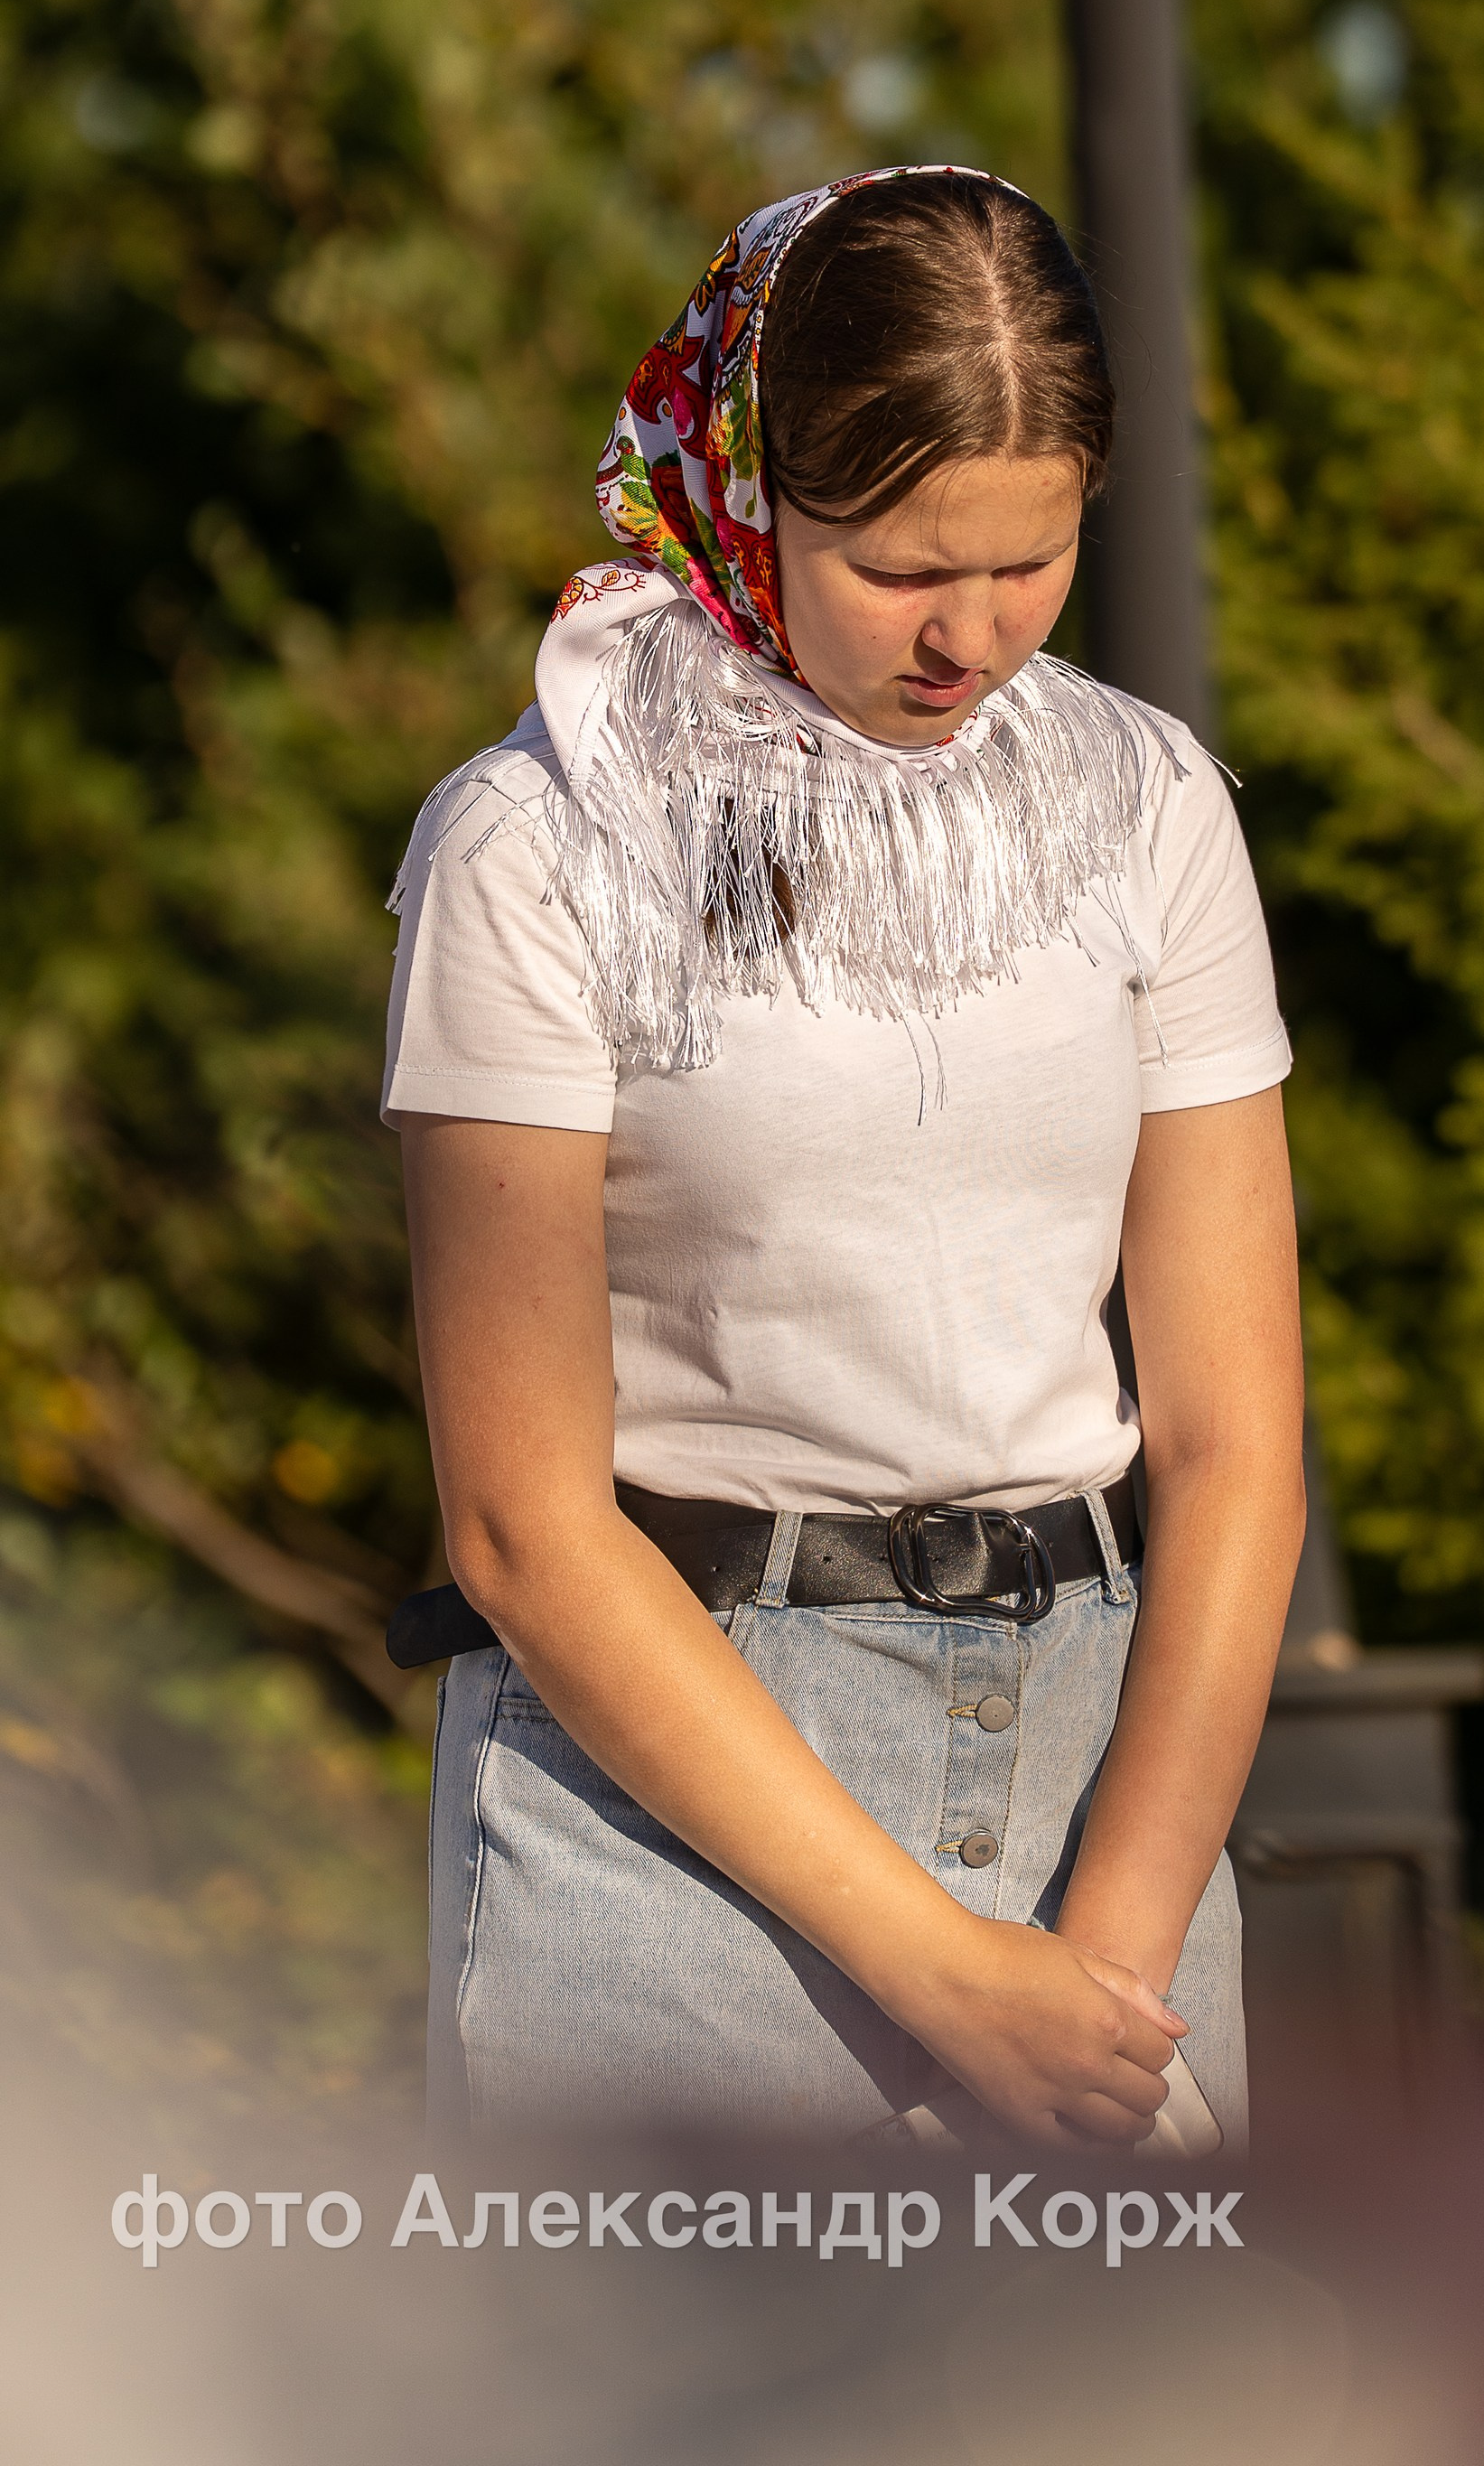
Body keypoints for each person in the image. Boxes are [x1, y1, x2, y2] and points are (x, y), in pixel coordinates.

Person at [382, 165, 1304, 2147]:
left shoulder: (1144, 806)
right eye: (898, 564)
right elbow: (521, 1522)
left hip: (1102, 1796)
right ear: (746, 478)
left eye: (1031, 559)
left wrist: (1105, 1965)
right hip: (677, 1829)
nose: (969, 635)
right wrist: (950, 1970)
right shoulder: (535, 848)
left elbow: (1235, 1445)